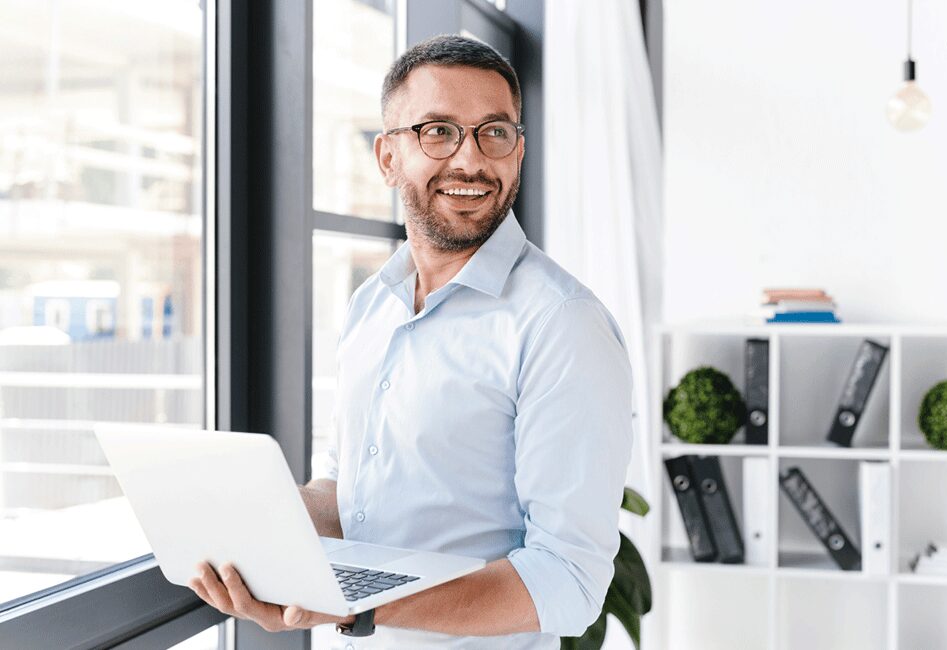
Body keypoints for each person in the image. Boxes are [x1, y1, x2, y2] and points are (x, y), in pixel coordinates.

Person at [189, 34, 633, 649]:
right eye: (439, 131)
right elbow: (351, 495)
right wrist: (256, 519)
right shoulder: (371, 306)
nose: (470, 160)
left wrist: (359, 606)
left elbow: (569, 581)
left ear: (519, 150)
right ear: (388, 157)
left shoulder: (562, 324)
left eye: (493, 132)